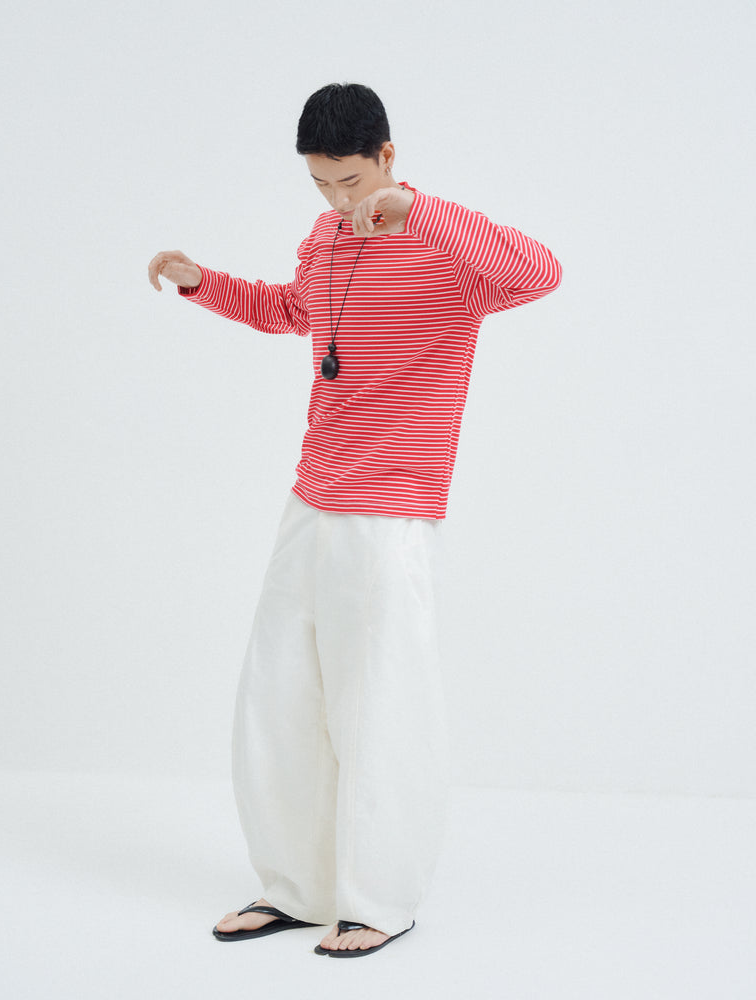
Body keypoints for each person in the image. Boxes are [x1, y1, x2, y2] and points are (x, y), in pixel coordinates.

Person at [147, 82, 562, 958]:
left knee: (381, 706)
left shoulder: (450, 246)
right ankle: (297, 889)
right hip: (312, 497)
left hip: (391, 511)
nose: (338, 200)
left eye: (350, 180)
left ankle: (380, 899)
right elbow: (292, 312)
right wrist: (201, 283)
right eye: (321, 184)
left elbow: (541, 272)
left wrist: (419, 212)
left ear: (387, 157)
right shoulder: (326, 238)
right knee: (280, 700)